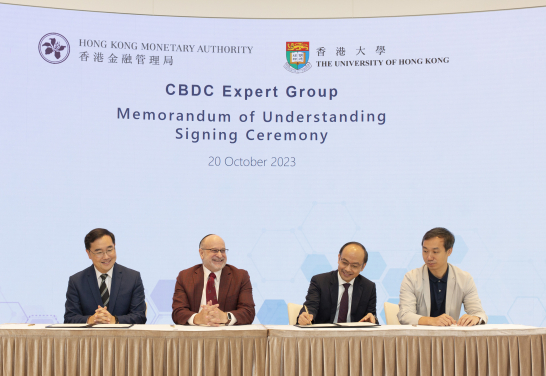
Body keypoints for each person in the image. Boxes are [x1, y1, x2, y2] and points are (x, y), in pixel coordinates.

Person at [398, 227, 487, 326]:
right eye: (425, 251)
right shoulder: (411, 278)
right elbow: (404, 315)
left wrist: (475, 318)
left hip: (451, 339)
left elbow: (479, 313)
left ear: (449, 251)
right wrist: (432, 321)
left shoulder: (464, 278)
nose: (429, 257)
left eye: (435, 252)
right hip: (420, 339)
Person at [64, 228, 146, 324]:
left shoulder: (133, 278)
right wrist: (90, 319)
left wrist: (114, 320)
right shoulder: (76, 281)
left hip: (123, 338)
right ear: (88, 253)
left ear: (114, 247)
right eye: (99, 252)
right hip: (90, 338)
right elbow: (70, 318)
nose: (106, 256)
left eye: (109, 250)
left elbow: (140, 317)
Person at [172, 234, 255, 325]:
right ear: (201, 253)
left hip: (227, 335)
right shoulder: (185, 276)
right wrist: (197, 318)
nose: (220, 255)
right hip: (195, 335)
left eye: (223, 251)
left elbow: (249, 312)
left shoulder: (240, 276)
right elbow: (178, 312)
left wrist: (226, 317)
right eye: (214, 250)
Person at [297, 242, 377, 325]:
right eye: (344, 263)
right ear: (339, 259)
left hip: (353, 336)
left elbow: (371, 315)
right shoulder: (319, 281)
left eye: (354, 266)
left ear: (363, 266)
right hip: (324, 335)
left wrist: (371, 319)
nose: (348, 269)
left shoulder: (369, 287)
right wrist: (305, 316)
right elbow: (311, 307)